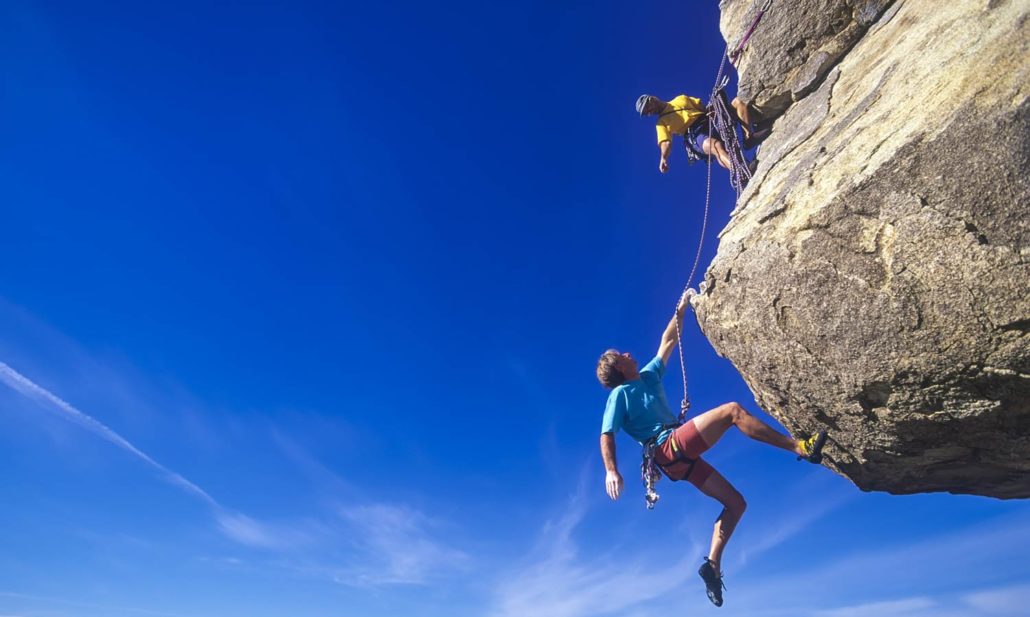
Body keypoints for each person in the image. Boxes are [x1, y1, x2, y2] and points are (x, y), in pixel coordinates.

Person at [596, 293, 827, 607]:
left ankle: (713, 567)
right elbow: (606, 434)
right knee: (732, 411)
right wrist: (611, 470)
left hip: (676, 462)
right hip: (667, 448)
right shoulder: (621, 394)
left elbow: (668, 341)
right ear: (620, 368)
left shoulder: (648, 375)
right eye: (620, 355)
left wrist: (681, 309)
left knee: (736, 503)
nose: (627, 353)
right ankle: (800, 446)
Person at [635, 94, 768, 174]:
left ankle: (748, 137)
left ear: (652, 99)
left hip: (708, 120)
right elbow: (666, 142)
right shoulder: (661, 123)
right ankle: (741, 170)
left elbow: (703, 109)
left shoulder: (681, 99)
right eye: (647, 113)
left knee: (738, 103)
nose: (650, 113)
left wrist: (711, 111)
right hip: (695, 134)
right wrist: (663, 158)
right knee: (715, 146)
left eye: (648, 109)